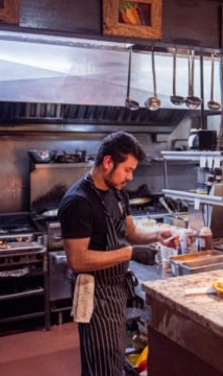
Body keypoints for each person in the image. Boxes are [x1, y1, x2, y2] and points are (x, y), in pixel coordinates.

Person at [58, 131, 179, 376]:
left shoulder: (118, 190)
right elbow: (78, 261)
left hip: (116, 290)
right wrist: (130, 254)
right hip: (94, 294)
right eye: (127, 170)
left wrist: (157, 236)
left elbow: (130, 231)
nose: (130, 177)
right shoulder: (78, 202)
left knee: (113, 358)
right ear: (108, 162)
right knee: (101, 364)